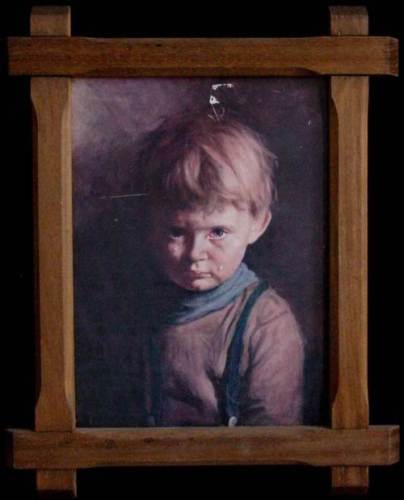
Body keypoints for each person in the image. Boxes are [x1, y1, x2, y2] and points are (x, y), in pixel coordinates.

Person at [134, 108, 304, 426]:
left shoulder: (267, 323)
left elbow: (273, 437)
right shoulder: (142, 307)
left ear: (257, 224)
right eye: (177, 232)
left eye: (218, 233)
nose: (194, 254)